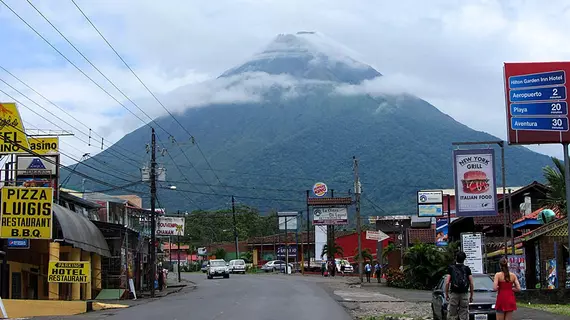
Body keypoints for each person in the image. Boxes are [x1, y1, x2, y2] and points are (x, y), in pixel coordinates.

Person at [445, 251, 474, 320]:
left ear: (456, 258)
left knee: (452, 314)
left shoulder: (451, 268)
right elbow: (471, 283)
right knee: (464, 313)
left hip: (454, 293)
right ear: (464, 259)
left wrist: (447, 294)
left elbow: (447, 282)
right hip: (464, 294)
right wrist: (471, 296)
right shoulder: (467, 269)